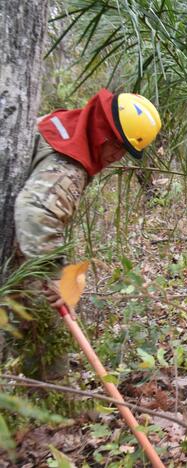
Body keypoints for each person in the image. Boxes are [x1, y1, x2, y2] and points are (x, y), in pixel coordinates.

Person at [12, 89, 162, 380]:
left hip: (18, 241)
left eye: (124, 151)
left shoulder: (62, 126)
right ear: (103, 132)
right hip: (24, 245)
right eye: (118, 146)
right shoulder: (68, 167)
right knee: (45, 320)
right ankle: (50, 404)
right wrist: (55, 277)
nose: (117, 157)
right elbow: (34, 212)